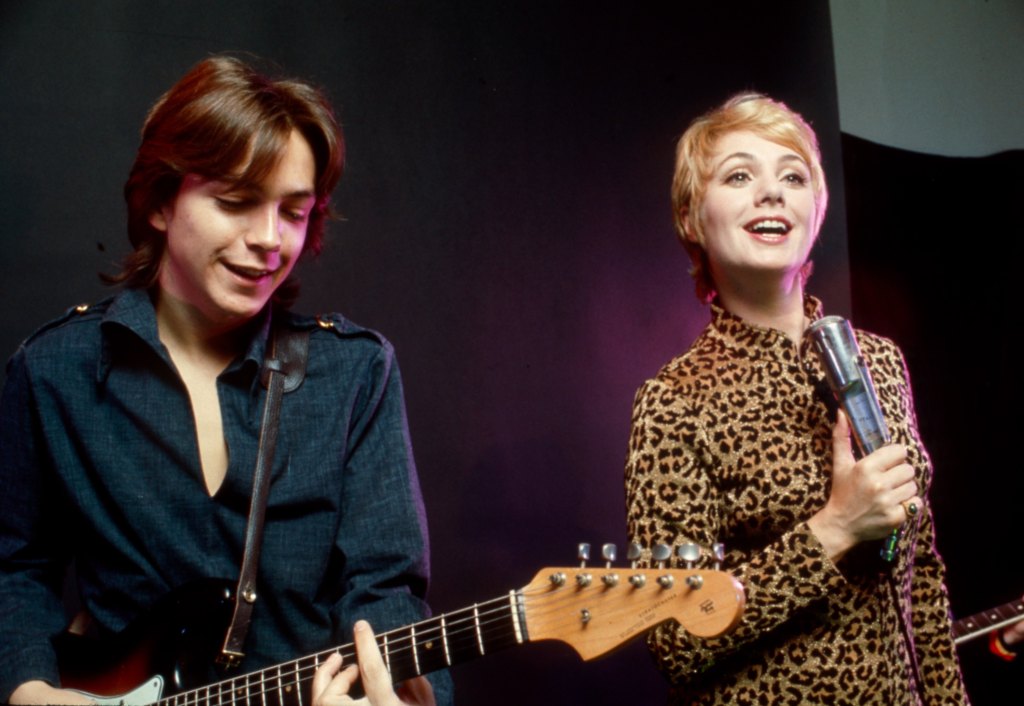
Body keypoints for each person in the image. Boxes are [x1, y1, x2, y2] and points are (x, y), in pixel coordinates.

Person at [0, 56, 450, 706]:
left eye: (294, 213)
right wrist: (28, 688)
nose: (270, 239)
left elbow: (386, 592)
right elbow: (15, 567)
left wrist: (405, 697)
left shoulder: (357, 372)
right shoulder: (54, 370)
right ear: (159, 201)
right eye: (237, 202)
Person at [624, 93, 969, 704]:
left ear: (816, 208)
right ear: (692, 217)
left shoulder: (880, 362)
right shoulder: (673, 401)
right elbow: (674, 639)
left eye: (793, 176)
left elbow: (924, 577)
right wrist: (834, 528)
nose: (772, 192)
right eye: (738, 175)